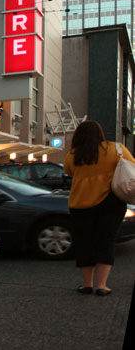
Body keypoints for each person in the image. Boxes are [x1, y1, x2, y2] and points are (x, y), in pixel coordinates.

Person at [63, 119, 135, 296]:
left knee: (84, 243)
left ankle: (87, 284)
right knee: (106, 241)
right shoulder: (115, 149)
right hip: (111, 203)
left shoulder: (73, 154)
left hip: (80, 203)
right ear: (100, 133)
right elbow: (131, 164)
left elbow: (68, 171)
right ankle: (102, 285)